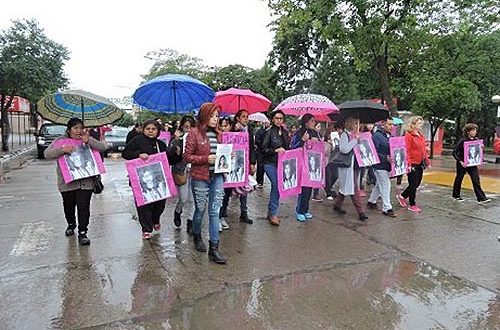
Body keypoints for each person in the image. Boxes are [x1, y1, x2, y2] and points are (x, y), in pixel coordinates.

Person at [44, 117, 107, 245]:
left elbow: (102, 148)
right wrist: (62, 150)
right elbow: (47, 154)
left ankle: (83, 232)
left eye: (81, 128)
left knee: (84, 207)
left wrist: (89, 141)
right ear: (69, 129)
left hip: (86, 182)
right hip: (67, 182)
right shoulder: (60, 141)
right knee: (69, 205)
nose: (79, 131)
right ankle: (71, 224)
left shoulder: (87, 139)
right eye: (75, 128)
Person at [184, 102, 227, 264]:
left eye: (217, 116)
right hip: (200, 177)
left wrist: (226, 159)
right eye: (212, 116)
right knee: (200, 210)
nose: (216, 119)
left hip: (217, 176)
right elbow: (187, 156)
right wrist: (205, 159)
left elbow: (221, 154)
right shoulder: (194, 133)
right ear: (204, 116)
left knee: (215, 211)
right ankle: (197, 235)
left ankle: (214, 249)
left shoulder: (219, 134)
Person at [123, 120, 172, 239]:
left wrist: (175, 152)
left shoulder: (161, 144)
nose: (150, 131)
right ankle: (146, 228)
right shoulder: (137, 140)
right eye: (148, 129)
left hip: (158, 180)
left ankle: (155, 219)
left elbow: (168, 160)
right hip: (140, 181)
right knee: (143, 205)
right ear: (143, 129)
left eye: (153, 129)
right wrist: (138, 154)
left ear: (158, 131)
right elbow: (126, 153)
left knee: (159, 203)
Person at [219, 109, 256, 229]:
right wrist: (235, 130)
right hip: (230, 165)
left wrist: (252, 162)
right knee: (227, 190)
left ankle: (244, 213)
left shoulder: (249, 130)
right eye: (243, 116)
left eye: (247, 116)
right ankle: (222, 214)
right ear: (237, 118)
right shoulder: (232, 130)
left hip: (243, 163)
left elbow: (251, 147)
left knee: (244, 188)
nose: (246, 118)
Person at [333, 117, 368, 221]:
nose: (358, 126)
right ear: (350, 124)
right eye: (356, 123)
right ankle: (360, 211)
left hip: (356, 165)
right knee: (353, 188)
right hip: (348, 166)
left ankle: (337, 205)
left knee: (345, 187)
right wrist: (354, 141)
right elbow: (344, 149)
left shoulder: (356, 135)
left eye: (358, 123)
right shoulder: (345, 134)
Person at [397, 116, 430, 213]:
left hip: (420, 163)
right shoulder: (409, 136)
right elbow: (406, 150)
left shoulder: (420, 136)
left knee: (417, 183)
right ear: (413, 124)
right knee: (413, 184)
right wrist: (408, 164)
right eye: (419, 123)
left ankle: (402, 196)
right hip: (412, 164)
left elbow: (423, 150)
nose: (421, 125)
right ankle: (412, 204)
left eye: (422, 124)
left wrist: (427, 161)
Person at [262, 110, 290, 226]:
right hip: (269, 163)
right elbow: (263, 149)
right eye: (277, 118)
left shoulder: (284, 132)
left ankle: (271, 212)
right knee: (276, 184)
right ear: (272, 119)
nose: (279, 120)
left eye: (281, 118)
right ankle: (272, 213)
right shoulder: (268, 132)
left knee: (279, 186)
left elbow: (288, 147)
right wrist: (275, 150)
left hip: (281, 163)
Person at [290, 114, 320, 222]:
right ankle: (300, 210)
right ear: (306, 122)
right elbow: (292, 147)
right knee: (303, 189)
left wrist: (318, 142)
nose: (314, 123)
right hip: (301, 163)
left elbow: (320, 148)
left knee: (310, 187)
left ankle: (306, 209)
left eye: (314, 121)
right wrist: (302, 140)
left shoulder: (315, 133)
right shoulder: (298, 133)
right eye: (312, 121)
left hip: (312, 164)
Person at [169, 115, 196, 234]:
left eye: (191, 127)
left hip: (195, 171)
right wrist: (176, 149)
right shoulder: (177, 140)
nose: (188, 130)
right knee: (183, 198)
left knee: (193, 199)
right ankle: (178, 211)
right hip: (181, 171)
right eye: (186, 127)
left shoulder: (198, 139)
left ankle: (190, 222)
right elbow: (170, 157)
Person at [452, 123, 490, 204]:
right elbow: (454, 152)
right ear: (468, 131)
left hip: (472, 163)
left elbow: (478, 152)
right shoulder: (463, 141)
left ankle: (481, 198)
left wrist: (482, 148)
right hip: (463, 163)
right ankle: (456, 195)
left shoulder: (476, 140)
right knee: (459, 178)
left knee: (476, 180)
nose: (475, 132)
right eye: (473, 130)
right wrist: (460, 161)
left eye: (475, 130)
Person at [367, 118, 397, 217]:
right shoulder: (377, 136)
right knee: (385, 185)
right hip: (379, 165)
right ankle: (387, 208)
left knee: (379, 185)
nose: (391, 126)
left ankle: (371, 201)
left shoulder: (389, 135)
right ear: (383, 124)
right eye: (389, 124)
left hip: (386, 165)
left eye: (392, 124)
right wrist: (385, 158)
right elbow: (373, 152)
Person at [324, 124, 343, 200]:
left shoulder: (339, 138)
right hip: (327, 162)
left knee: (335, 175)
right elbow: (325, 152)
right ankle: (328, 191)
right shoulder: (326, 142)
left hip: (334, 161)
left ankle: (328, 188)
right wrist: (330, 144)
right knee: (328, 177)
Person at [254, 121, 270, 187]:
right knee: (260, 167)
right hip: (260, 152)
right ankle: (259, 181)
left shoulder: (271, 131)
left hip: (268, 153)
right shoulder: (259, 131)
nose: (267, 124)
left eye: (268, 123)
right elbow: (257, 141)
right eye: (265, 123)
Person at [311, 121, 324, 202]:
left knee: (317, 175)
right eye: (318, 126)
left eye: (320, 126)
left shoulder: (319, 135)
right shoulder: (312, 134)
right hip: (313, 157)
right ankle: (314, 195)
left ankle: (316, 193)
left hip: (319, 158)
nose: (319, 128)